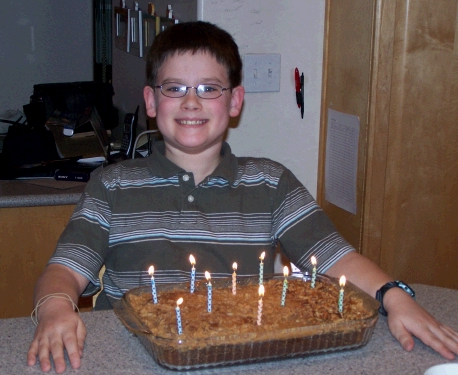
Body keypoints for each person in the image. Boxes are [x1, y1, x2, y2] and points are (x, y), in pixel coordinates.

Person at [27, 21, 458, 373]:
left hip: (239, 356)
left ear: (235, 102)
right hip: (131, 359)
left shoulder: (270, 183)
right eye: (174, 88)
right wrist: (54, 308)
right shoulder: (113, 186)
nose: (191, 102)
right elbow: (63, 271)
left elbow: (334, 256)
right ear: (152, 102)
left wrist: (395, 297)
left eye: (208, 89)